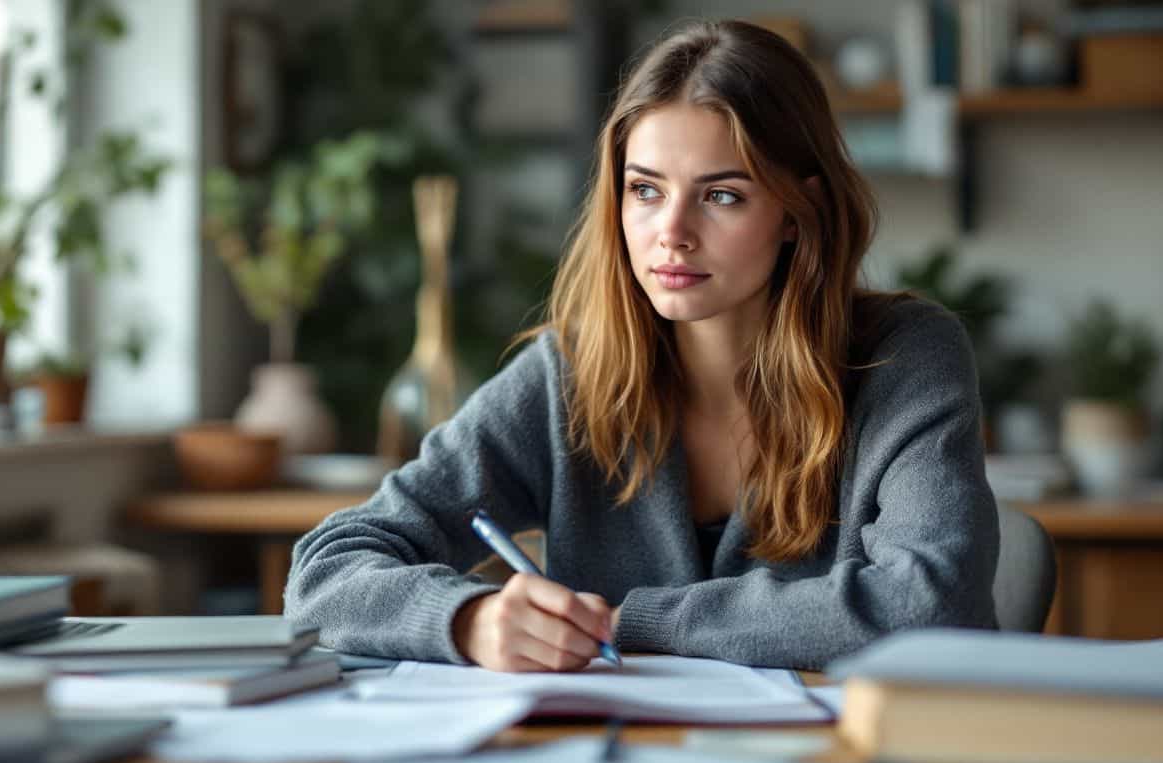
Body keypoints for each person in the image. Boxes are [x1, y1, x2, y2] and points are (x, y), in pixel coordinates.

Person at [284, 19, 998, 673]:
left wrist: (633, 623)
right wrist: (467, 618)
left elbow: (932, 606)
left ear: (796, 212)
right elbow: (324, 573)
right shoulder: (571, 374)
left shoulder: (904, 358)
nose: (672, 232)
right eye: (646, 190)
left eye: (722, 195)